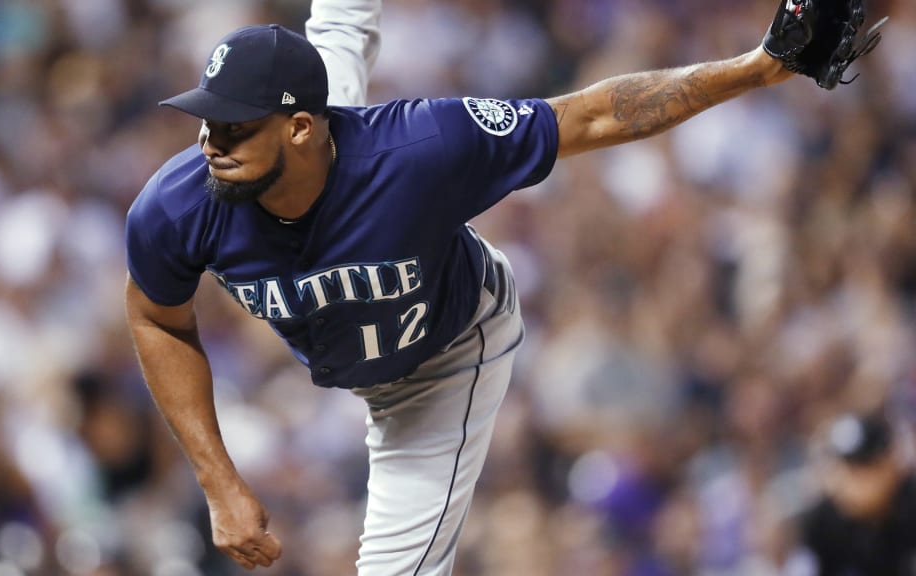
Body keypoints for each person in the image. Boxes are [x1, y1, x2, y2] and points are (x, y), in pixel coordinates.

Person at [124, 1, 809, 573]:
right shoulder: (181, 204)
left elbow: (591, 116)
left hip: (444, 352)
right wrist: (218, 483)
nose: (212, 141)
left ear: (300, 127)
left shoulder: (425, 148)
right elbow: (158, 318)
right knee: (331, 52)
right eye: (208, 120)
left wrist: (754, 69)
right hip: (348, 321)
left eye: (234, 126)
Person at [797, 412, 916, 576]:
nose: (853, 480)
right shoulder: (821, 522)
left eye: (865, 465)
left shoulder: (911, 506)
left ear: (890, 463)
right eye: (848, 467)